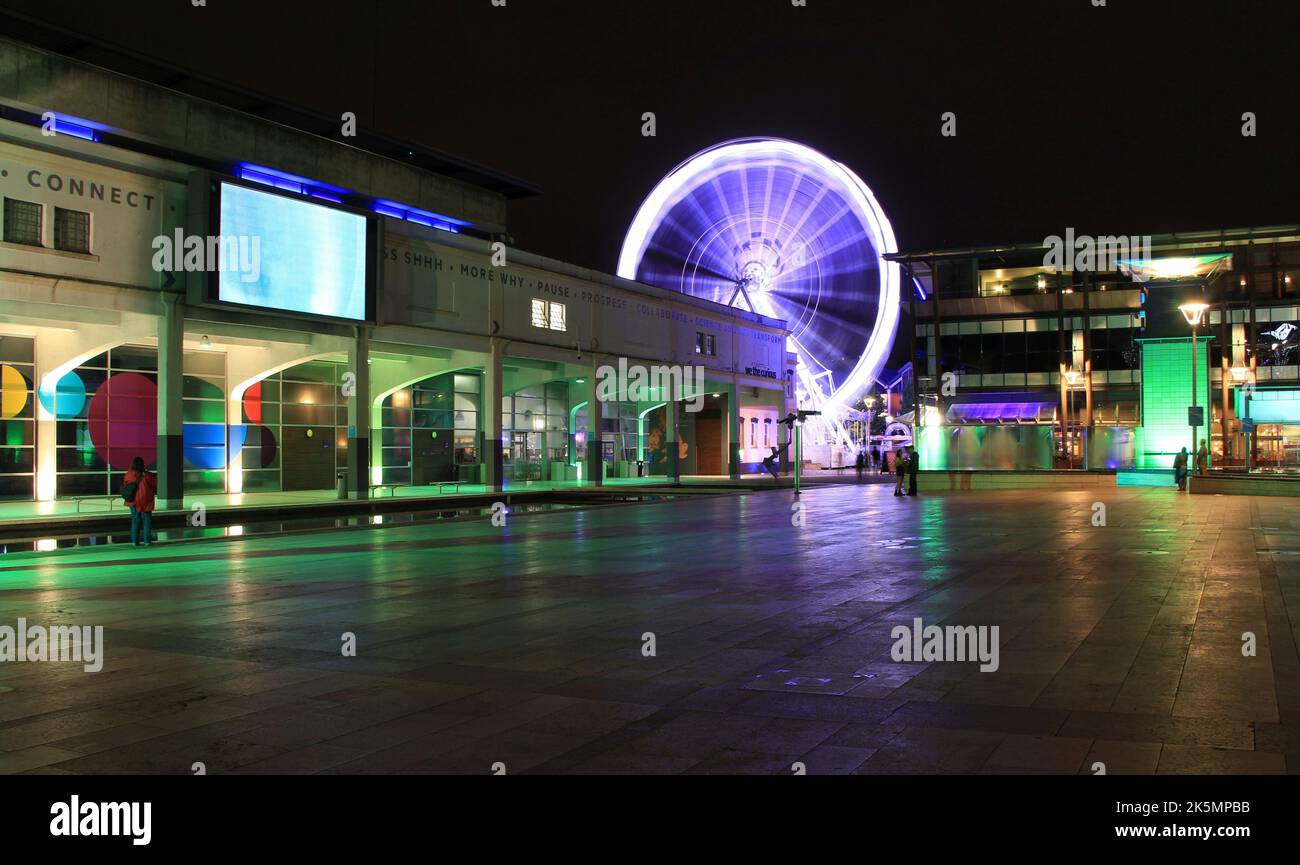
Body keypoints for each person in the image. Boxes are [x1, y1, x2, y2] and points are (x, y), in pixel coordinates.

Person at [122, 456, 157, 546]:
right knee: (146, 521)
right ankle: (147, 542)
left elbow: (125, 485)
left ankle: (134, 542)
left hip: (133, 501)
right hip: (145, 501)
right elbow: (154, 484)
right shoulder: (146, 475)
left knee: (135, 521)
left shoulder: (128, 474)